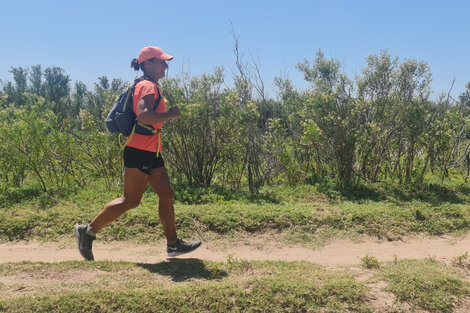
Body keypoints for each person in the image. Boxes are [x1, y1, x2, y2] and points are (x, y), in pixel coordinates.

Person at [74, 46, 201, 261]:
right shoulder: (147, 86)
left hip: (151, 150)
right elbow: (143, 116)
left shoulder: (146, 85)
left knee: (167, 194)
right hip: (140, 150)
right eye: (161, 62)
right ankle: (87, 232)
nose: (166, 66)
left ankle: (173, 245)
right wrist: (171, 114)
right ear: (148, 64)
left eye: (165, 62)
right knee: (130, 201)